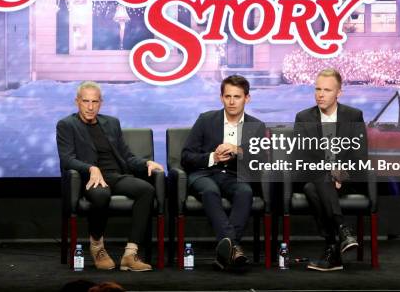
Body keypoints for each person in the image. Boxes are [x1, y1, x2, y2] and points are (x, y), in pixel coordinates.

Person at [56, 81, 164, 271]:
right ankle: (97, 246)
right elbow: (67, 160)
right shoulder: (67, 125)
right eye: (86, 101)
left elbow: (127, 156)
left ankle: (130, 254)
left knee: (146, 190)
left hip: (115, 175)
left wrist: (146, 163)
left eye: (95, 102)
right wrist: (90, 168)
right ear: (77, 102)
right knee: (101, 195)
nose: (90, 107)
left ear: (101, 103)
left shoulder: (111, 123)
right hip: (91, 179)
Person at [181, 75, 266, 270]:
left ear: (247, 98)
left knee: (244, 191)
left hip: (234, 176)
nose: (232, 101)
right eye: (227, 96)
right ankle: (233, 247)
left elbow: (260, 161)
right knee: (210, 191)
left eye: (237, 96)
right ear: (221, 98)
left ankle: (226, 251)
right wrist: (213, 157)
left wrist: (238, 150)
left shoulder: (256, 126)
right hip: (204, 174)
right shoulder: (206, 120)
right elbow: (186, 156)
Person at [293, 68, 367, 271]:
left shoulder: (353, 116)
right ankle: (342, 231)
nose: (320, 94)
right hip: (315, 175)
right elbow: (300, 157)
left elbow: (359, 156)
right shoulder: (303, 117)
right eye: (317, 89)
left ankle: (331, 247)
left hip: (345, 180)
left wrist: (341, 174)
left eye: (326, 90)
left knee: (312, 189)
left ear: (338, 93)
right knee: (317, 180)